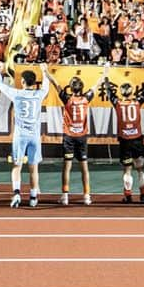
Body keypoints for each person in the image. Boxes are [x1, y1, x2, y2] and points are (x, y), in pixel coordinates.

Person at [0, 62, 51, 208]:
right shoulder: (39, 95)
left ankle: (17, 193)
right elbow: (46, 85)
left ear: (23, 82)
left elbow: (0, 85)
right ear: (34, 83)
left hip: (20, 136)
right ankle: (33, 197)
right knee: (34, 168)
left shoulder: (17, 94)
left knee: (17, 165)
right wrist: (44, 71)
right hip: (34, 136)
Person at [99, 64, 144, 204]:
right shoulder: (137, 102)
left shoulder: (118, 103)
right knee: (140, 168)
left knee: (127, 170)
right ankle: (143, 196)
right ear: (131, 93)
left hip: (125, 140)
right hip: (137, 138)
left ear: (121, 93)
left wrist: (106, 74)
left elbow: (108, 91)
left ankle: (128, 195)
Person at [56, 73, 97, 206]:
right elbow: (97, 85)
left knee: (67, 166)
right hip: (81, 137)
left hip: (69, 136)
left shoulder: (67, 99)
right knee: (84, 167)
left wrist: (46, 73)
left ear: (71, 88)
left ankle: (65, 195)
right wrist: (106, 72)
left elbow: (56, 85)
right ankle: (86, 195)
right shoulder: (86, 99)